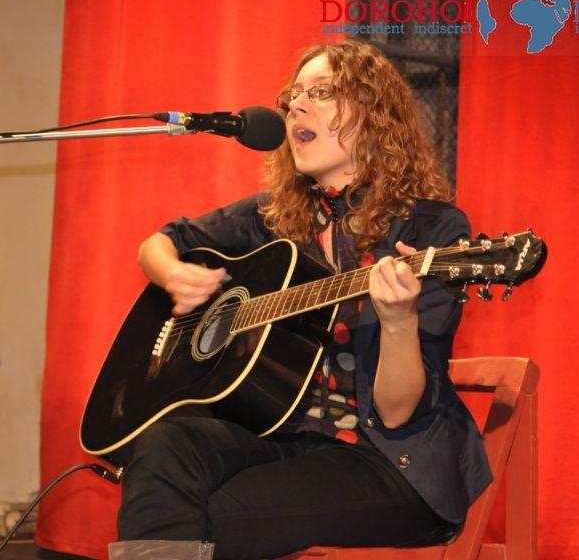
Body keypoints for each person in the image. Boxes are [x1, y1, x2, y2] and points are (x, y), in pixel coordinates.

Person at [117, 39, 492, 559]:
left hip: (388, 462)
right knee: (163, 446)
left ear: (375, 115)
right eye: (292, 95)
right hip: (284, 435)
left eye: (321, 92)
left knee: (205, 517)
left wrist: (398, 321)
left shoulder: (431, 230)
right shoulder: (275, 218)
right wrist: (175, 274)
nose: (296, 106)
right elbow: (160, 243)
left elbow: (398, 413)